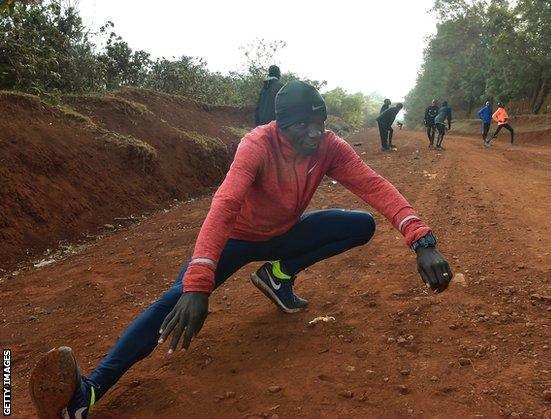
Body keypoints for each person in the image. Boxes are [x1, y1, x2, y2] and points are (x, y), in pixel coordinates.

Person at [29, 81, 453, 419]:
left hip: (285, 234)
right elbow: (225, 204)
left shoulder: (328, 147)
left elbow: (374, 185)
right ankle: (90, 392)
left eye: (318, 121)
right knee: (175, 302)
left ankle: (277, 275)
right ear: (280, 125)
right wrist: (199, 283)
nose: (313, 131)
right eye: (302, 125)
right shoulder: (257, 144)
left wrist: (422, 240)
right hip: (238, 239)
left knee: (359, 225)